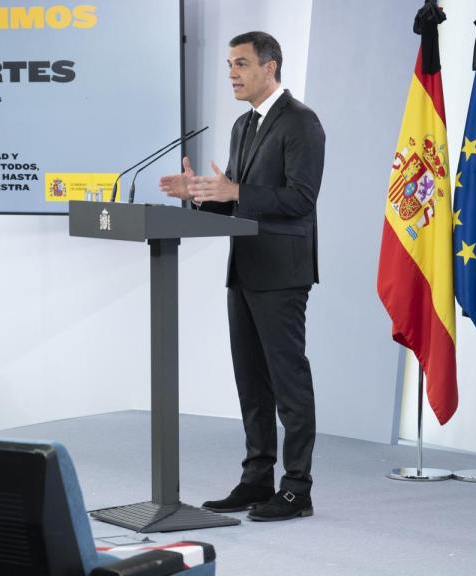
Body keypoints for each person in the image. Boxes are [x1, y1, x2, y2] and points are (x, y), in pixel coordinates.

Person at [159, 31, 324, 522]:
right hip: (245, 268)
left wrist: (233, 190)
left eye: (241, 64)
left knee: (288, 381)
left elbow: (300, 200)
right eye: (230, 64)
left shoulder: (301, 122)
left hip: (282, 271)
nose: (232, 73)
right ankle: (257, 478)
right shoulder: (242, 125)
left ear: (270, 67)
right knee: (251, 381)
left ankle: (297, 488)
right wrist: (198, 194)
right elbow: (236, 196)